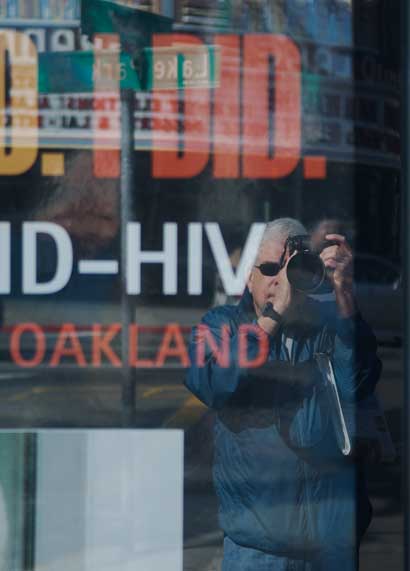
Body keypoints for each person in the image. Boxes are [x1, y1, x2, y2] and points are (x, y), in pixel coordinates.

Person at [185, 217, 381, 571]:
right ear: (249, 276)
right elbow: (210, 381)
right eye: (271, 268)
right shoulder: (222, 324)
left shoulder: (330, 323)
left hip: (331, 547)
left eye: (291, 268)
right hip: (258, 550)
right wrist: (271, 319)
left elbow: (358, 383)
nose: (280, 278)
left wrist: (345, 301)